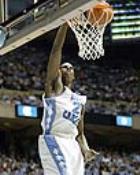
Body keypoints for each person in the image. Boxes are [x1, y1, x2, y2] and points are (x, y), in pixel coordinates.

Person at [38, 23, 98, 175]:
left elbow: (80, 133)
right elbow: (55, 50)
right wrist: (65, 21)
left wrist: (85, 149)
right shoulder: (53, 90)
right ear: (58, 71)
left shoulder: (80, 101)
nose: (68, 69)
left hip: (73, 146)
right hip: (53, 139)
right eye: (64, 67)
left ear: (74, 75)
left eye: (70, 68)